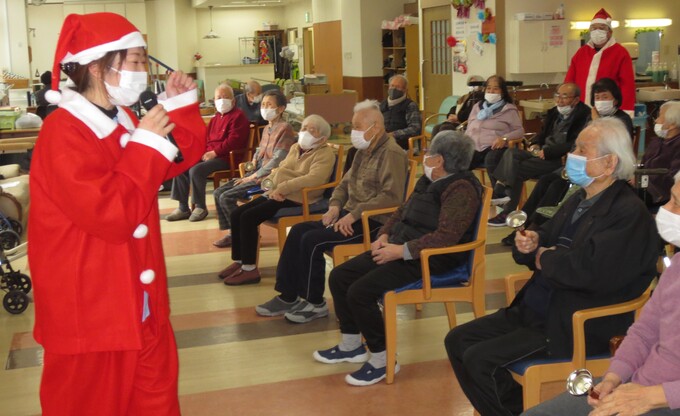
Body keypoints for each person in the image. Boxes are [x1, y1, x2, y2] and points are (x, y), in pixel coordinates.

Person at [27, 13, 206, 415]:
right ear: (96, 66)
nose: (144, 71)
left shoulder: (121, 119)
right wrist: (145, 144)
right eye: (137, 61)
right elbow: (111, 214)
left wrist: (177, 106)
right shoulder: (64, 133)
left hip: (139, 303)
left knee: (154, 401)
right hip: (92, 312)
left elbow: (175, 158)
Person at [445, 117, 660, 416]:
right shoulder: (580, 199)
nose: (573, 156)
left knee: (480, 359)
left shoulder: (627, 213)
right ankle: (518, 410)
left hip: (575, 321)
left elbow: (588, 272)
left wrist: (544, 256)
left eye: (583, 151)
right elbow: (546, 235)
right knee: (457, 340)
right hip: (538, 308)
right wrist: (531, 241)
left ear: (610, 163)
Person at [313, 131, 482, 386]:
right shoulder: (429, 181)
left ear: (440, 161)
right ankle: (351, 344)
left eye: (429, 154)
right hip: (402, 248)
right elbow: (402, 211)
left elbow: (446, 237)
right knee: (339, 276)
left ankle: (382, 359)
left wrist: (400, 251)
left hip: (431, 259)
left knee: (360, 292)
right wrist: (384, 234)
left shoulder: (462, 189)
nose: (424, 157)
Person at [521, 173, 680, 416]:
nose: (664, 209)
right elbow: (645, 331)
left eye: (676, 203)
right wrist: (613, 377)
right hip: (640, 386)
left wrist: (653, 397)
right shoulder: (677, 265)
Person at [254, 99, 408, 324]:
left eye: (356, 127)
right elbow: (344, 184)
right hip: (347, 213)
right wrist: (335, 205)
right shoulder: (363, 150)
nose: (352, 131)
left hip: (372, 221)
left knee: (312, 240)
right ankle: (288, 295)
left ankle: (315, 303)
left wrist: (354, 214)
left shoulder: (391, 153)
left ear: (375, 128)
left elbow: (391, 197)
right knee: (298, 231)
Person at [220, 115, 336, 286]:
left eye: (312, 130)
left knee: (249, 217)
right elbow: (280, 169)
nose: (305, 132)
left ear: (323, 138)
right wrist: (271, 187)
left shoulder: (325, 154)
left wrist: (282, 188)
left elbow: (313, 179)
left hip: (301, 197)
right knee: (238, 213)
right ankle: (239, 260)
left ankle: (250, 269)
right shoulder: (296, 147)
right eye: (304, 128)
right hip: (281, 193)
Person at [488, 83, 589, 226]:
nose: (559, 100)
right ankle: (503, 194)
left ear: (576, 100)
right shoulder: (554, 112)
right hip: (540, 153)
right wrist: (535, 143)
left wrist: (548, 152)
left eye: (565, 97)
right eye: (557, 96)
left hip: (558, 158)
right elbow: (542, 134)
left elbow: (576, 142)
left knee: (515, 169)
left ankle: (505, 205)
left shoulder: (584, 115)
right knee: (512, 154)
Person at [212, 89, 296, 248]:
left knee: (226, 197)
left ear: (281, 109)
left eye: (269, 105)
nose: (265, 108)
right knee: (217, 193)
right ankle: (233, 231)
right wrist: (251, 166)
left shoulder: (285, 128)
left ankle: (242, 234)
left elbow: (277, 159)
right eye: (263, 104)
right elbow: (259, 151)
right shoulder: (266, 128)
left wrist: (252, 176)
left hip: (267, 178)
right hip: (255, 173)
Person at [166, 84, 250, 222]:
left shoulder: (238, 117)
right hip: (209, 155)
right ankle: (183, 207)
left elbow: (234, 141)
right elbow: (205, 139)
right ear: (214, 100)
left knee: (197, 170)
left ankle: (200, 207)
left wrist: (215, 152)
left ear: (233, 101)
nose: (222, 100)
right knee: (182, 165)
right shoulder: (215, 118)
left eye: (226, 97)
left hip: (226, 158)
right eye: (219, 97)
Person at [564, 8, 635, 116]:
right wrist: (567, 103)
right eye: (594, 28)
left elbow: (627, 85)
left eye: (601, 28)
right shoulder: (581, 53)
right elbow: (570, 81)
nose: (597, 31)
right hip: (581, 109)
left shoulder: (620, 53)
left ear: (610, 32)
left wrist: (625, 113)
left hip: (608, 110)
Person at [466, 75, 525, 184]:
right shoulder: (477, 107)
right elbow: (469, 126)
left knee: (491, 160)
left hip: (495, 146)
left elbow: (520, 131)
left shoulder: (509, 109)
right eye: (488, 88)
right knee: (458, 162)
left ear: (502, 92)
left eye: (495, 88)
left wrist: (504, 138)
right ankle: (469, 191)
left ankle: (499, 195)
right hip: (474, 146)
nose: (491, 91)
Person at [637, 101, 680, 210]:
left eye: (660, 116)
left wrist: (645, 179)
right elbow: (643, 162)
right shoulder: (657, 141)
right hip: (644, 187)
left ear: (672, 124)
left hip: (659, 195)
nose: (656, 120)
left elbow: (672, 178)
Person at [380, 74, 421, 150]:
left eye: (398, 87)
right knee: (355, 151)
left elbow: (415, 129)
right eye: (392, 86)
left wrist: (393, 134)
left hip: (400, 142)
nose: (394, 89)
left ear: (405, 90)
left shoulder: (410, 105)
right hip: (382, 139)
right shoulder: (382, 105)